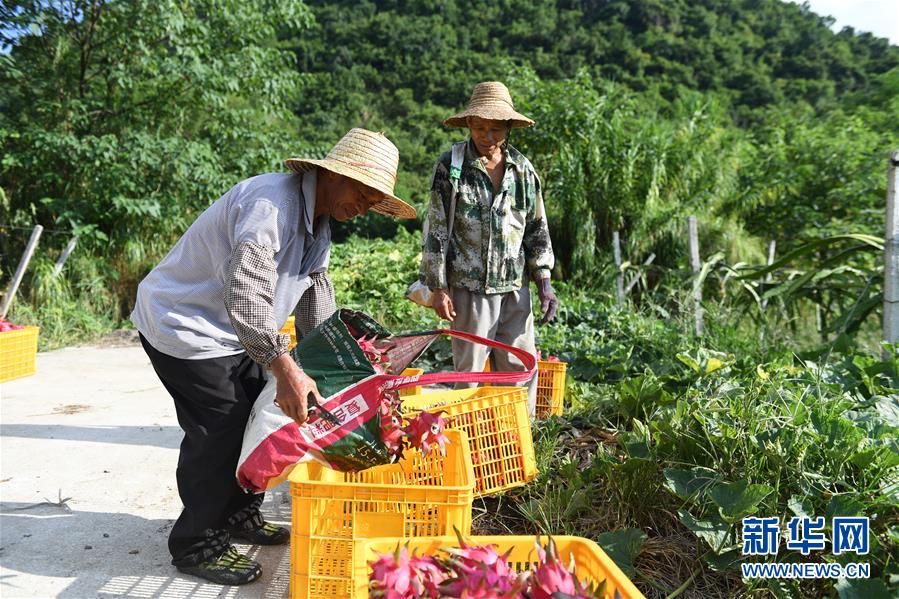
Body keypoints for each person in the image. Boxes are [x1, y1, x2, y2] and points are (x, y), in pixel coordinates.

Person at [131, 128, 414, 586]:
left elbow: (315, 294)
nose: (363, 208)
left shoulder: (319, 223)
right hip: (185, 324)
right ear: (333, 176)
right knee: (219, 427)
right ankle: (196, 543)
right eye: (363, 194)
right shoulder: (271, 207)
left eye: (373, 201)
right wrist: (285, 369)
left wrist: (339, 359)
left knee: (254, 417)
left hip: (234, 332)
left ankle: (240, 515)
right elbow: (245, 296)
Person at [419, 81, 558, 413]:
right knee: (468, 375)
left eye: (495, 129)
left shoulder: (523, 171)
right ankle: (468, 441)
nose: (487, 136)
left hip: (514, 288)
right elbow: (436, 230)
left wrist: (545, 285)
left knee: (518, 369)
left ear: (508, 128)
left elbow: (537, 228)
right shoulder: (451, 167)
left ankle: (516, 438)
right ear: (469, 124)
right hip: (468, 289)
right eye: (480, 128)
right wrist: (438, 288)